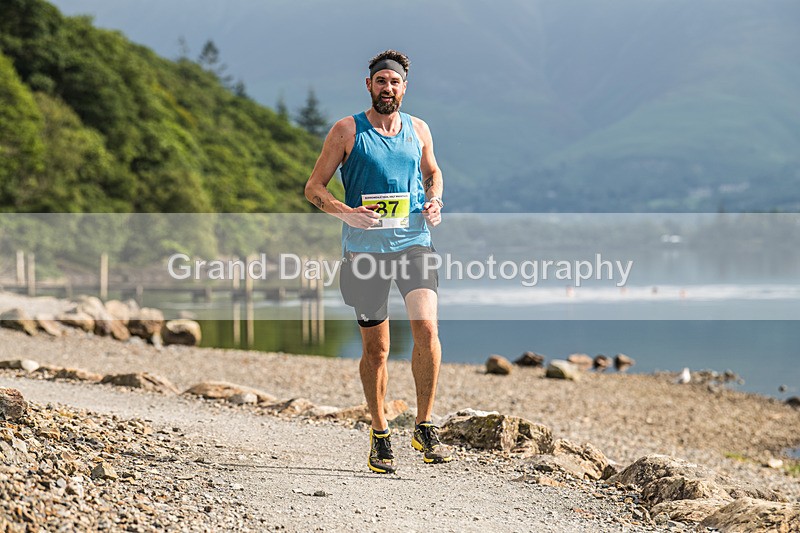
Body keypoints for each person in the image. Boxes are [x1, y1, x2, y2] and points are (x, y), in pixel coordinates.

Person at [304, 50, 452, 474]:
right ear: (368, 85)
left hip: (414, 243)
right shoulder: (347, 130)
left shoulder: (419, 129)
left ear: (405, 87)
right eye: (381, 81)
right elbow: (314, 188)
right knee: (379, 348)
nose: (388, 88)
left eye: (395, 82)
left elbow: (433, 173)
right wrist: (345, 212)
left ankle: (424, 425)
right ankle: (380, 430)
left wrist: (436, 199)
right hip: (364, 253)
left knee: (426, 329)